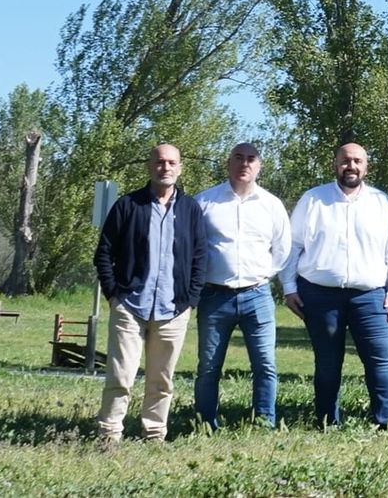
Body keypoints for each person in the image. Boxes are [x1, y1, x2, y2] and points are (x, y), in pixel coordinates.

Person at [281, 143, 388, 428]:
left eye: (357, 161)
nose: (351, 166)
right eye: (345, 161)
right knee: (327, 364)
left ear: (366, 167)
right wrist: (289, 287)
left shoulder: (381, 202)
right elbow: (293, 245)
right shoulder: (313, 199)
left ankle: (387, 421)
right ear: (335, 164)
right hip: (319, 295)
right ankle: (327, 422)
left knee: (380, 362)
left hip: (372, 296)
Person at [93, 143, 207, 445]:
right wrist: (114, 296)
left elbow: (200, 257)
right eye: (159, 162)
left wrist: (190, 300)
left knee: (161, 380)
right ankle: (109, 435)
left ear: (180, 167)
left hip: (173, 309)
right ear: (149, 166)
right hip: (130, 306)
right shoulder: (128, 205)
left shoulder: (190, 209)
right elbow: (104, 253)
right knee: (120, 376)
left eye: (171, 162)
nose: (165, 168)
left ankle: (154, 435)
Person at [194, 142, 290, 430]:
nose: (244, 164)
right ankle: (205, 423)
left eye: (251, 159)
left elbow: (283, 249)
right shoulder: (205, 202)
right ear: (229, 162)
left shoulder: (271, 205)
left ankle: (264, 422)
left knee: (265, 365)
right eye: (238, 158)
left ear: (259, 166)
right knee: (208, 367)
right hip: (214, 296)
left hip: (256, 295)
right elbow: (193, 249)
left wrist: (264, 276)